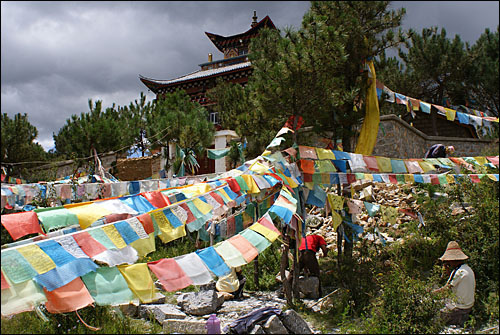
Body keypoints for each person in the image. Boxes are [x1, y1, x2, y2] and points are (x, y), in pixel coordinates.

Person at [432, 241, 476, 326]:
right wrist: (448, 272)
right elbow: (454, 281)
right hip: (468, 306)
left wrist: (431, 293)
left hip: (461, 309)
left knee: (435, 316)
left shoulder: (459, 272)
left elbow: (446, 288)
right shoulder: (466, 268)